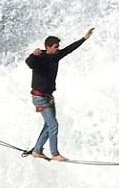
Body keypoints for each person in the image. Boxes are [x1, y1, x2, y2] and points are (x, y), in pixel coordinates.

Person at [23, 27, 94, 162]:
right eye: (55, 47)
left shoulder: (56, 56)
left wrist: (84, 38)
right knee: (53, 125)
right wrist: (33, 55)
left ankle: (37, 150)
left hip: (48, 97)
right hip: (39, 98)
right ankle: (55, 154)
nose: (58, 49)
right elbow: (29, 63)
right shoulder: (39, 58)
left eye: (58, 46)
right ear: (48, 47)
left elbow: (69, 49)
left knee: (48, 124)